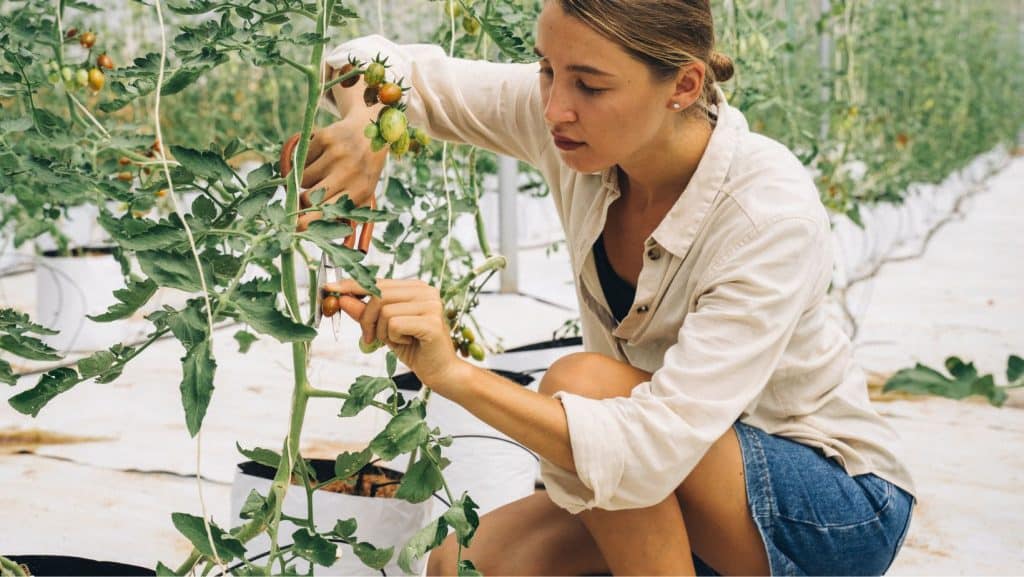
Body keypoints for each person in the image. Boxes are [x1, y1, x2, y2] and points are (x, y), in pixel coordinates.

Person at [303, 1, 916, 574]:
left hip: (828, 505)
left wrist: (456, 374)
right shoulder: (571, 120)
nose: (554, 109)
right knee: (461, 563)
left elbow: (650, 446)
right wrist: (366, 126)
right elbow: (372, 62)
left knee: (585, 385)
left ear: (684, 86)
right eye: (547, 70)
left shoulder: (766, 214)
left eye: (590, 86)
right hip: (669, 474)